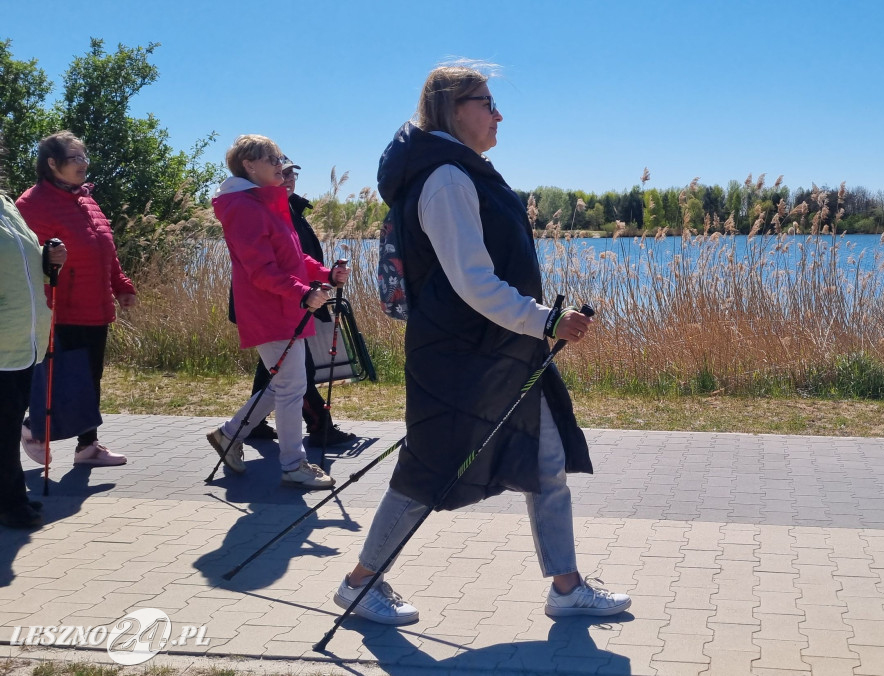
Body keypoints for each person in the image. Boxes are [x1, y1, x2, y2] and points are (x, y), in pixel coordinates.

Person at [332, 65, 631, 624]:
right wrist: (545, 320)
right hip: (460, 356)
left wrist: (535, 325)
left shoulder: (460, 170)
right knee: (430, 468)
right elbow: (472, 280)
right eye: (487, 103)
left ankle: (567, 588)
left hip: (503, 347)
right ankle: (359, 583)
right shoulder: (446, 178)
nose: (499, 115)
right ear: (452, 108)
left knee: (546, 459)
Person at [207, 134, 348, 489]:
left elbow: (293, 258)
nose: (279, 165)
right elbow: (260, 270)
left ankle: (229, 435)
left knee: (283, 384)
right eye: (272, 159)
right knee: (291, 387)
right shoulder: (243, 207)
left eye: (280, 158)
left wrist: (326, 274)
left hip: (284, 307)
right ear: (249, 165)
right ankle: (293, 464)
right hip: (268, 310)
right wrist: (303, 293)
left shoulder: (266, 202)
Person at [16, 131, 135, 467]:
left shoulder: (86, 200)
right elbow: (27, 260)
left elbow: (105, 251)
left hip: (95, 307)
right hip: (59, 309)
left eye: (84, 157)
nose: (84, 163)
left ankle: (88, 447)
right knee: (64, 381)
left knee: (90, 379)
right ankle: (32, 428)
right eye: (75, 158)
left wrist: (122, 285)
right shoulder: (32, 204)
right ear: (52, 163)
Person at [245, 158, 356, 446]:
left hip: (300, 298)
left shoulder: (290, 208)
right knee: (297, 373)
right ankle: (318, 428)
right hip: (284, 303)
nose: (289, 179)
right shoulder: (264, 210)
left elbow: (299, 257)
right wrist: (305, 291)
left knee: (275, 371)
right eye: (281, 174)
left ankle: (245, 427)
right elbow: (268, 268)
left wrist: (326, 275)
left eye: (292, 174)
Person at [0, 132, 68, 528]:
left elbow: (20, 270)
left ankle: (12, 496)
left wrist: (48, 259)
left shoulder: (6, 205)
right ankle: (9, 504)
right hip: (4, 340)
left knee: (9, 425)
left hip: (22, 340)